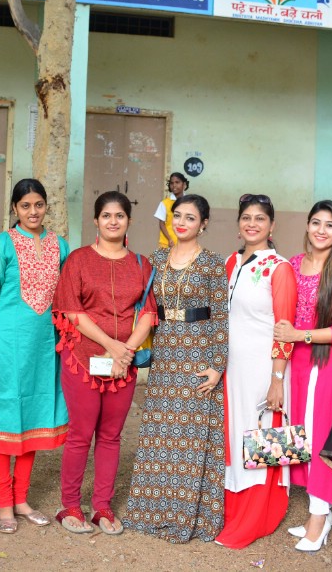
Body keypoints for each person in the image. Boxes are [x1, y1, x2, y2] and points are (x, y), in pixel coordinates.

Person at [124, 193, 228, 544]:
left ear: (204, 224)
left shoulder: (213, 262)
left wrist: (217, 365)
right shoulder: (155, 259)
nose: (181, 223)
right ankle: (152, 510)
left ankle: (190, 515)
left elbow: (221, 317)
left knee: (191, 436)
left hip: (199, 354)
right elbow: (141, 307)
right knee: (160, 432)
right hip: (166, 353)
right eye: (177, 216)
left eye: (190, 218)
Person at [52, 191, 156, 536]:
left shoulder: (142, 265)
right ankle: (69, 505)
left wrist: (125, 351)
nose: (113, 221)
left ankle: (102, 507)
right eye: (107, 215)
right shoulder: (79, 260)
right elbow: (72, 311)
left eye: (120, 216)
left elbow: (148, 313)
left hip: (122, 363)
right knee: (81, 435)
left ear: (129, 221)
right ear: (96, 221)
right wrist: (112, 346)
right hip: (83, 358)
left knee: (111, 436)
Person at [0, 178, 69, 534]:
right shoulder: (3, 244)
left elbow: (70, 298)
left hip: (43, 350)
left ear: (46, 207)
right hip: (5, 347)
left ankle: (21, 499)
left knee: (31, 421)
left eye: (38, 205)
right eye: (25, 206)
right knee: (4, 423)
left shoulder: (61, 245)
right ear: (15, 209)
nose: (32, 212)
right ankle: (3, 504)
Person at [274, 199, 332, 553]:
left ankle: (320, 518)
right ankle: (316, 510)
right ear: (307, 226)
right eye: (316, 223)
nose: (321, 230)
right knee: (298, 435)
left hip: (324, 363)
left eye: (329, 225)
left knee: (321, 438)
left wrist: (300, 335)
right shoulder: (293, 264)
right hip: (294, 363)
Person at [215, 193, 295, 549]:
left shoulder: (279, 268)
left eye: (260, 218)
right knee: (234, 438)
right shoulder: (230, 262)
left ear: (272, 225)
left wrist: (277, 379)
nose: (252, 223)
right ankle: (234, 512)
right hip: (232, 368)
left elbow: (285, 326)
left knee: (261, 439)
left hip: (264, 368)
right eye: (246, 217)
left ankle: (257, 517)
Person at [154, 172, 189, 249]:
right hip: (167, 243)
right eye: (172, 183)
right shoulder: (164, 203)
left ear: (184, 184)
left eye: (177, 182)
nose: (174, 185)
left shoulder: (190, 202)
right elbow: (162, 224)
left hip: (185, 243)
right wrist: (169, 239)